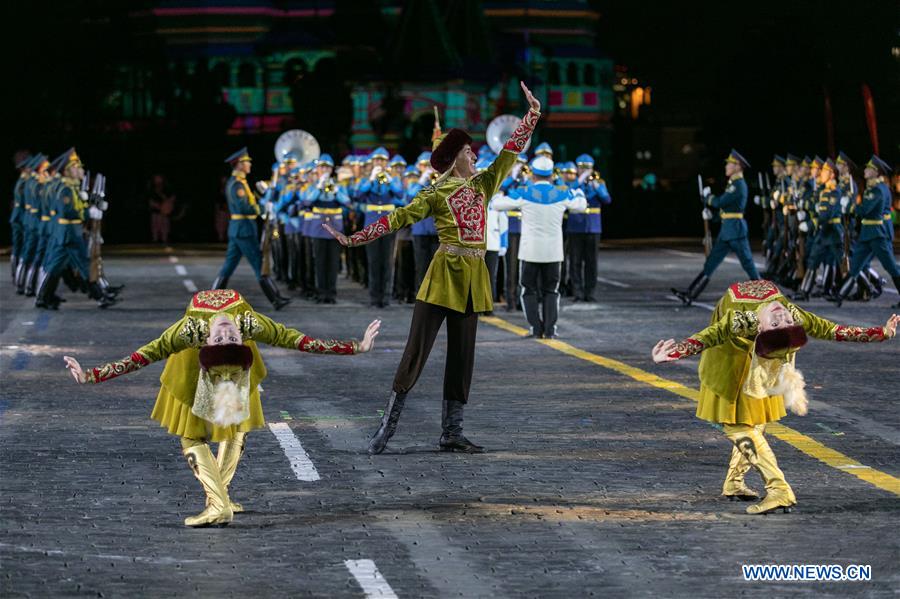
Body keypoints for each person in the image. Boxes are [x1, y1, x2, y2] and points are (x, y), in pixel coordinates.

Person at [322, 81, 542, 455]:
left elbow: (509, 151)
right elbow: (398, 218)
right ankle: (386, 429)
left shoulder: (484, 184)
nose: (476, 157)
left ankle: (451, 432)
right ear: (455, 156)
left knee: (463, 356)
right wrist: (353, 238)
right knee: (416, 351)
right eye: (470, 153)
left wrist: (531, 116)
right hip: (444, 274)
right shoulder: (436, 193)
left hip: (474, 277)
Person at [63, 289, 380, 527]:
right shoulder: (188, 333)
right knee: (193, 433)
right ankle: (220, 500)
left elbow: (297, 340)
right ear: (204, 342)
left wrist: (356, 347)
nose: (226, 332)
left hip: (236, 373)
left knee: (232, 426)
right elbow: (142, 356)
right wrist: (91, 376)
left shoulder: (249, 324)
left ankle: (219, 502)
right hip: (194, 374)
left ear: (245, 338)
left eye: (228, 336)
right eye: (222, 337)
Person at [653, 280, 898, 514]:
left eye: (782, 322)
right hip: (729, 360)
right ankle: (738, 483)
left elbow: (833, 330)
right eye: (781, 322)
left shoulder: (773, 319)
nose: (782, 316)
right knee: (740, 424)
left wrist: (882, 332)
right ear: (759, 328)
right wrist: (671, 353)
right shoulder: (743, 321)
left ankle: (776, 489)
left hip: (766, 360)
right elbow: (708, 337)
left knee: (747, 424)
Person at [491, 156, 587, 338]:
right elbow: (581, 206)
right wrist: (578, 192)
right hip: (553, 253)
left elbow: (496, 204)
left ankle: (536, 329)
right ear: (551, 176)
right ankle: (550, 330)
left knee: (528, 290)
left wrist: (502, 189)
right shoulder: (561, 193)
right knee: (551, 291)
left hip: (530, 252)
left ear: (533, 175)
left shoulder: (524, 192)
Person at [672, 150, 761, 305]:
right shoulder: (733, 183)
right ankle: (690, 293)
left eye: (730, 164)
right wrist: (711, 216)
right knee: (711, 263)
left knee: (748, 264)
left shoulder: (738, 184)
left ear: (738, 166)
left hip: (735, 231)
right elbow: (726, 210)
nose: (727, 166)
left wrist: (708, 198)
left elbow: (721, 202)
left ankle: (766, 296)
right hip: (727, 231)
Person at [211, 148, 290, 310]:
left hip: (240, 229)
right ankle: (275, 299)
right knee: (259, 264)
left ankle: (211, 299)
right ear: (239, 165)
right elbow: (244, 207)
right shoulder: (237, 184)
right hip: (244, 230)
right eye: (247, 162)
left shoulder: (240, 182)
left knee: (229, 266)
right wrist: (263, 209)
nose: (249, 165)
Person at [830, 156, 900, 308]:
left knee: (891, 267)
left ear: (876, 172)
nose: (865, 171)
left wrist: (850, 207)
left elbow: (866, 210)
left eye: (869, 169)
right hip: (868, 233)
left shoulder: (877, 190)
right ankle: (840, 295)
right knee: (855, 265)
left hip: (878, 234)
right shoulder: (873, 188)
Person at [303, 154, 351, 303]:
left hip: (335, 228)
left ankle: (331, 293)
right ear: (317, 169)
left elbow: (347, 202)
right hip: (318, 228)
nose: (324, 170)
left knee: (333, 262)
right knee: (320, 262)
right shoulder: (312, 185)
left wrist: (336, 191)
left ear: (331, 169)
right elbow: (306, 201)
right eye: (322, 167)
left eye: (327, 167)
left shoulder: (339, 185)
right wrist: (319, 186)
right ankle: (321, 293)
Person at [567, 154, 612, 302]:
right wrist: (580, 181)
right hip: (575, 226)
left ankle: (590, 292)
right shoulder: (573, 183)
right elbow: (567, 193)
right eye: (582, 168)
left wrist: (597, 187)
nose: (585, 171)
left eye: (588, 168)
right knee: (575, 261)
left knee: (591, 262)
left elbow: (607, 199)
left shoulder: (599, 182)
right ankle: (578, 293)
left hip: (593, 227)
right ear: (578, 169)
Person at [147, 174, 176, 244]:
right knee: (155, 224)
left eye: (159, 178)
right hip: (155, 209)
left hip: (165, 210)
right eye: (156, 178)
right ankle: (155, 239)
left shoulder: (167, 187)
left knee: (165, 224)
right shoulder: (151, 188)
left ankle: (165, 239)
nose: (157, 180)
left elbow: (173, 196)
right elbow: (149, 199)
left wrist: (168, 203)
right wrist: (155, 205)